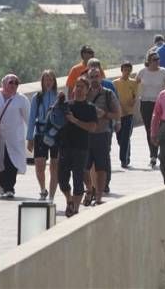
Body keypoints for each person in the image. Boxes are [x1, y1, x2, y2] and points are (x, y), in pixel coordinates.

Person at [0, 74, 29, 199]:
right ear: (4, 84)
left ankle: (10, 188)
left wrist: (32, 135)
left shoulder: (21, 99)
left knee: (12, 162)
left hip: (14, 137)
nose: (13, 85)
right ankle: (2, 184)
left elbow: (28, 118)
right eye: (11, 82)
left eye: (16, 83)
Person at [59, 78, 98, 217]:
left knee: (78, 178)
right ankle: (69, 200)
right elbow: (54, 121)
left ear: (87, 90)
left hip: (80, 148)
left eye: (82, 87)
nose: (79, 89)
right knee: (62, 180)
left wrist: (75, 121)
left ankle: (75, 209)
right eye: (77, 86)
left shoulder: (90, 108)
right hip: (64, 147)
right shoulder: (66, 105)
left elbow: (92, 127)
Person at [83, 67, 121, 206]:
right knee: (83, 167)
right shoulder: (83, 93)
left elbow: (117, 114)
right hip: (85, 135)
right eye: (91, 77)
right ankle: (89, 190)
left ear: (101, 77)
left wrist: (103, 114)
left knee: (101, 167)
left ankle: (98, 196)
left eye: (96, 76)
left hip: (102, 134)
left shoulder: (108, 94)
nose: (94, 79)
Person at [26, 70, 59, 200]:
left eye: (51, 79)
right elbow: (31, 118)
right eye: (46, 79)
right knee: (39, 164)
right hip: (40, 133)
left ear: (54, 81)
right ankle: (42, 189)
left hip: (56, 134)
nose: (49, 82)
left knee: (54, 166)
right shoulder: (37, 97)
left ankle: (51, 195)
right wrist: (29, 138)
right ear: (42, 81)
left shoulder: (59, 96)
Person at [136, 52, 165, 168]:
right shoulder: (142, 72)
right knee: (149, 130)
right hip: (145, 103)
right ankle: (153, 155)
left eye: (158, 59)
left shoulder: (164, 72)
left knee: (161, 129)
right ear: (148, 60)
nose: (157, 61)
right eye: (154, 59)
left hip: (160, 103)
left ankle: (163, 152)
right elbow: (135, 84)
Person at [113, 62, 138, 169]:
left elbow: (135, 95)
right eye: (125, 70)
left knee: (126, 136)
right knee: (120, 138)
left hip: (129, 113)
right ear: (121, 70)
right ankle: (126, 155)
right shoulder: (115, 83)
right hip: (118, 114)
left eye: (129, 70)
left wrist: (133, 101)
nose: (127, 72)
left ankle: (124, 159)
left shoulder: (133, 82)